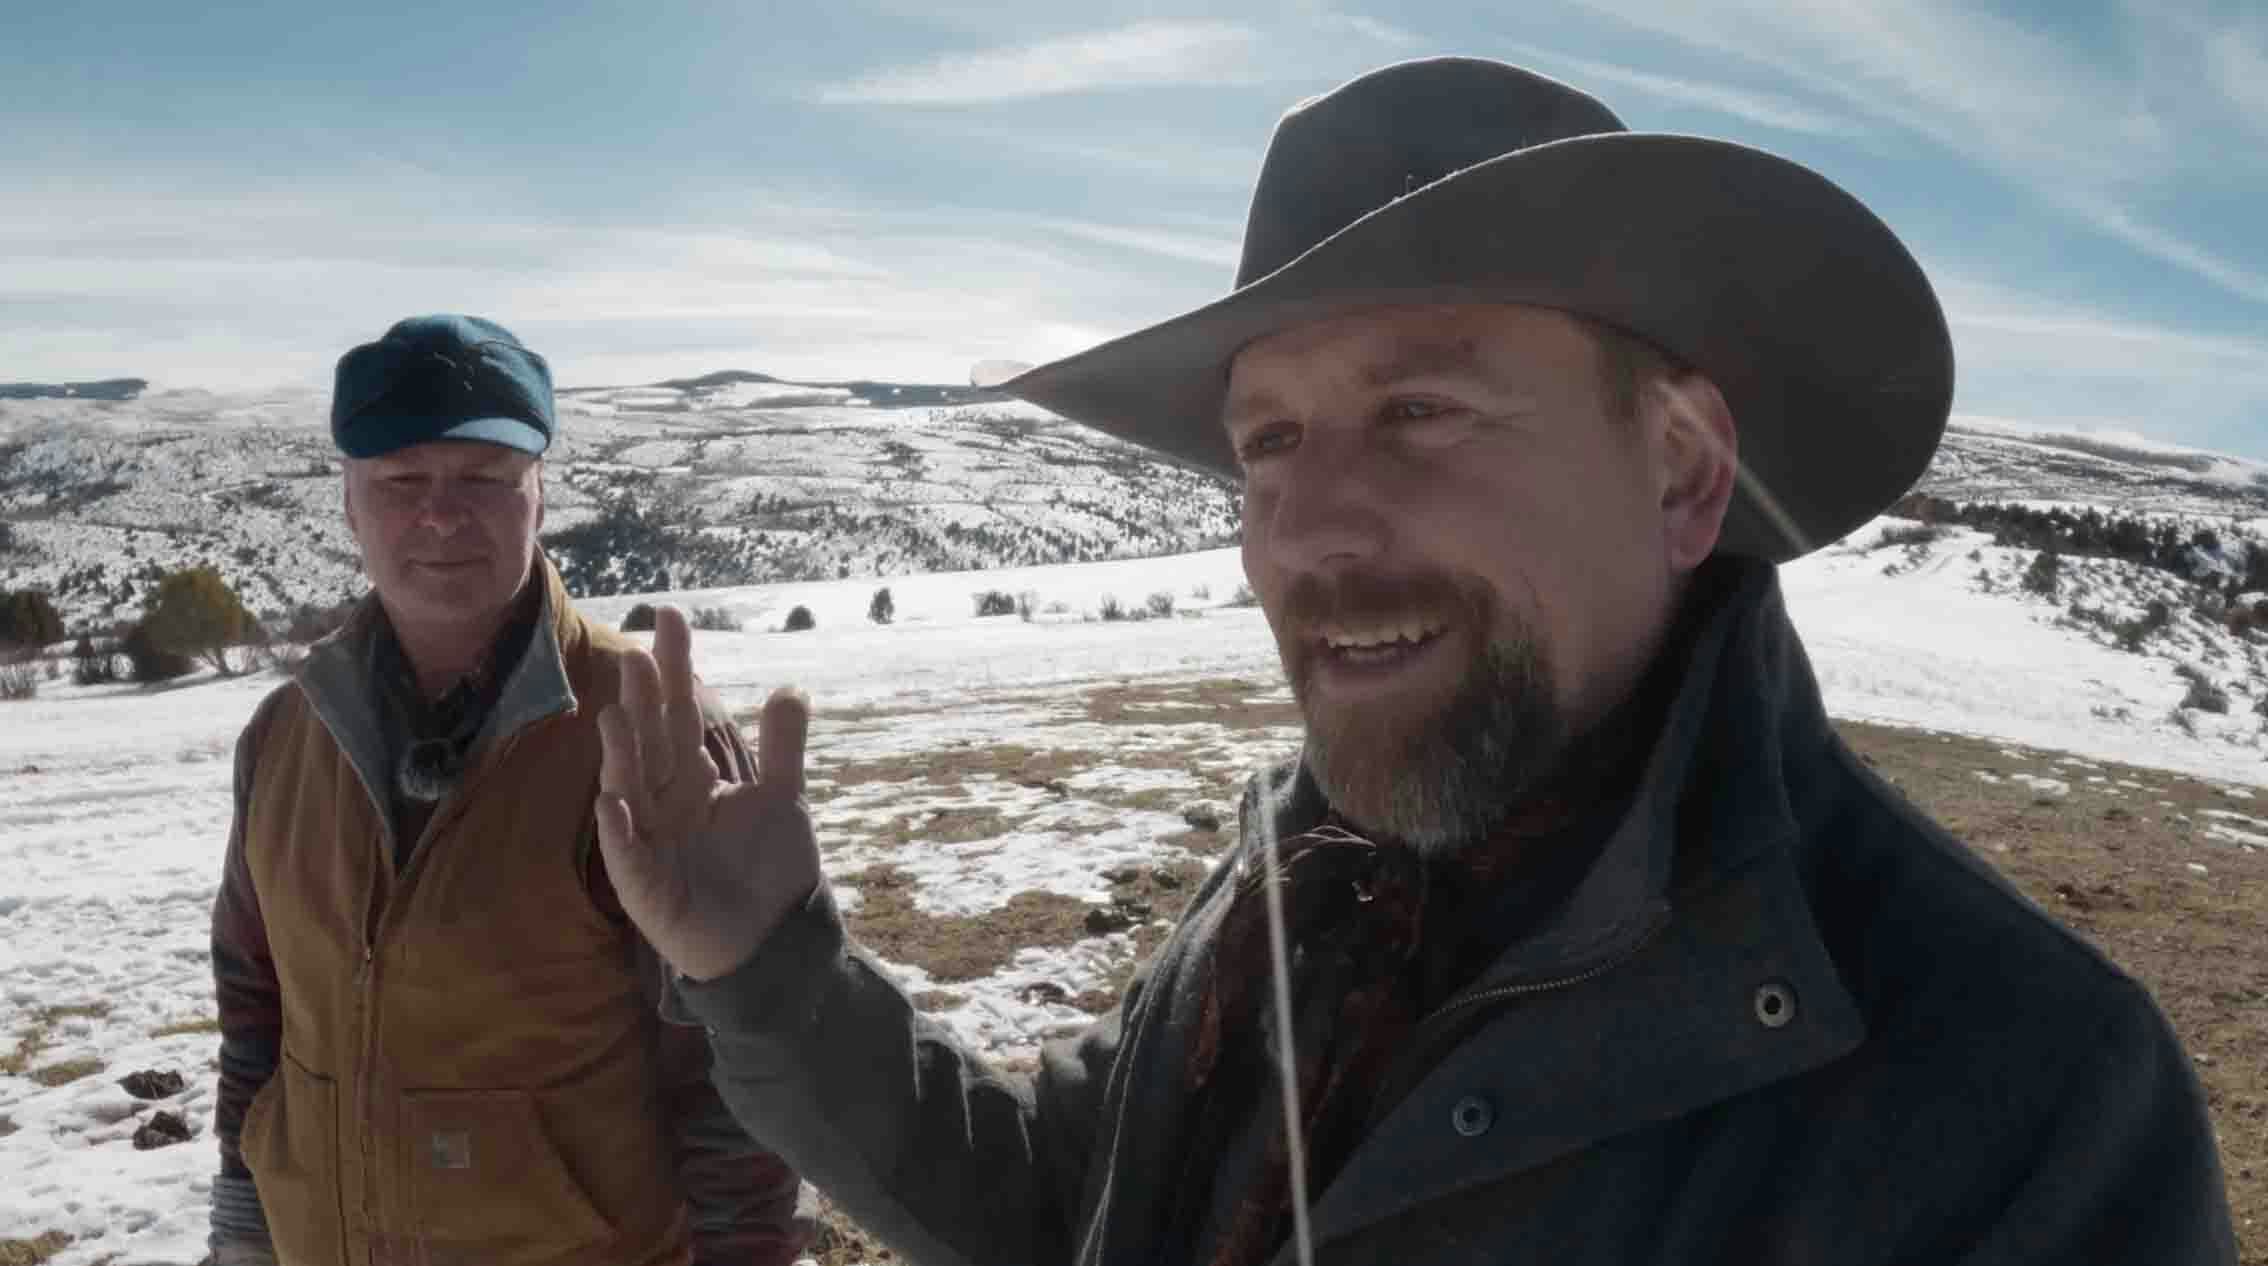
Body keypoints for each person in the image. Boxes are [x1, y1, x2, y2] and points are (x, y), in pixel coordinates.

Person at [595, 59, 2238, 1265]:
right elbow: (1059, 1204)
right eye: (1268, 444)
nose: (1307, 530)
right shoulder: (1293, 888)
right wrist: (769, 973)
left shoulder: (2016, 1101)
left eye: (1418, 412)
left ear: (1675, 473)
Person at [206, 314, 814, 1266]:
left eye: (484, 478)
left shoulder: (647, 723)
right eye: (402, 481)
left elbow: (739, 1070)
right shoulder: (285, 737)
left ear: (539, 492)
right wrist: (244, 1229)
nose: (441, 515)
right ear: (350, 504)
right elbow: (258, 1011)